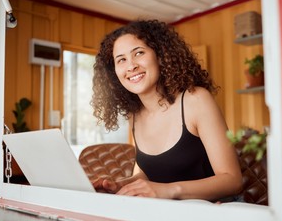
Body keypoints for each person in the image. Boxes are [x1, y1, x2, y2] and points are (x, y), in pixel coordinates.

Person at [91, 20, 242, 201]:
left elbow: (232, 180)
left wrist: (169, 190)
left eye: (138, 53)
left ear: (160, 56)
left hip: (215, 214)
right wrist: (120, 185)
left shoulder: (196, 100)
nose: (131, 66)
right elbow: (154, 174)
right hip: (168, 216)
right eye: (121, 60)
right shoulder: (135, 115)